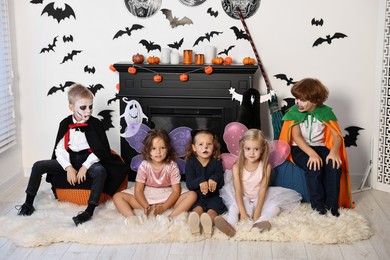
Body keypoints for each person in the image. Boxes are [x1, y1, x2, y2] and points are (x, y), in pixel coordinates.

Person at [17, 83, 129, 226]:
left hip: (89, 159)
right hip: (69, 159)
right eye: (83, 107)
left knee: (101, 171)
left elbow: (100, 150)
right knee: (38, 166)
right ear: (71, 107)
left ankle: (88, 211)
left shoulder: (95, 124)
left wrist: (85, 167)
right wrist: (68, 167)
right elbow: (59, 150)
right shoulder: (65, 124)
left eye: (90, 107)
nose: (88, 111)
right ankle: (28, 204)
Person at [279, 78, 353, 217]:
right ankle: (318, 206)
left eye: (303, 100)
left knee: (334, 165)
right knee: (314, 166)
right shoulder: (294, 112)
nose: (298, 102)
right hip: (300, 148)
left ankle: (332, 205)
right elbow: (297, 137)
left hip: (320, 146)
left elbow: (337, 136)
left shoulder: (325, 113)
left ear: (316, 100)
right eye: (296, 98)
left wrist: (333, 152)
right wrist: (312, 154)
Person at [216, 129, 302, 237]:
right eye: (248, 149)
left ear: (262, 149)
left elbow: (263, 190)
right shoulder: (237, 167)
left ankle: (259, 223)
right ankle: (230, 225)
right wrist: (242, 213)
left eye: (256, 149)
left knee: (275, 208)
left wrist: (257, 212)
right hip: (242, 197)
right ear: (243, 148)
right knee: (234, 207)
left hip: (260, 198)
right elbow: (238, 191)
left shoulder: (266, 167)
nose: (251, 153)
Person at [113, 128, 197, 225]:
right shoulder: (145, 165)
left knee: (192, 195)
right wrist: (145, 206)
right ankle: (132, 218)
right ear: (148, 150)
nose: (158, 152)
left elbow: (176, 191)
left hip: (167, 196)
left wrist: (164, 207)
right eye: (153, 148)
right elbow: (138, 190)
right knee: (117, 197)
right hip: (146, 196)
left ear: (168, 148)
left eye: (162, 148)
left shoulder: (172, 165)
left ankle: (169, 218)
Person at [185, 129, 226, 238]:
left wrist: (214, 178)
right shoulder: (191, 163)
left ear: (214, 146)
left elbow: (221, 183)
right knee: (197, 209)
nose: (205, 147)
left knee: (212, 211)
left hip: (214, 196)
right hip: (198, 196)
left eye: (209, 144)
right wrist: (200, 181)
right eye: (201, 144)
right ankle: (195, 222)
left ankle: (208, 223)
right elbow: (189, 184)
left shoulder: (216, 162)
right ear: (194, 147)